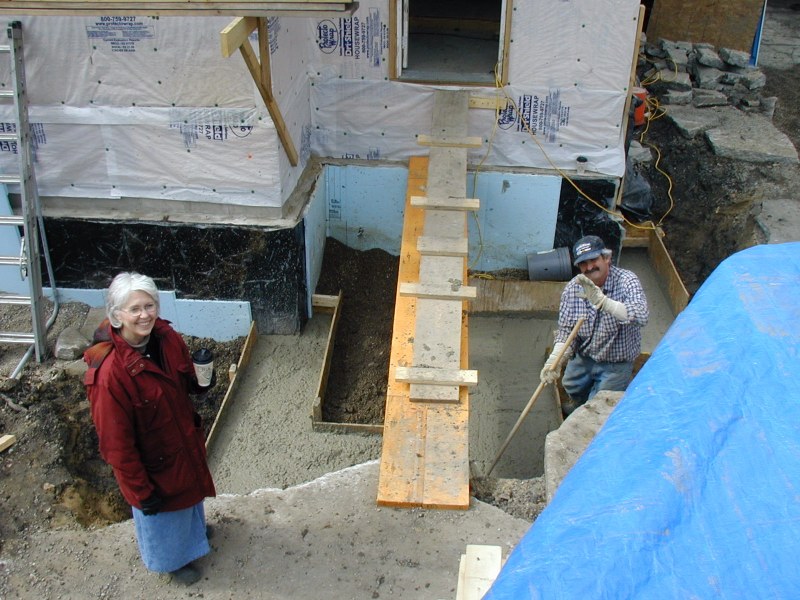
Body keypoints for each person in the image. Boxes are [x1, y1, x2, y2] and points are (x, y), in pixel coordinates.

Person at [83, 272, 216, 586]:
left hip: (178, 439)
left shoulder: (165, 336)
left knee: (188, 497)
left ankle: (194, 536)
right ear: (116, 316)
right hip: (152, 462)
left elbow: (183, 377)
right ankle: (172, 560)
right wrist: (140, 492)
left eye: (150, 305)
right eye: (135, 309)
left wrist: (200, 383)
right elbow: (116, 446)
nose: (145, 314)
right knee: (163, 514)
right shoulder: (110, 374)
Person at [540, 235, 649, 417]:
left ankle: (592, 420)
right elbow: (567, 329)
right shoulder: (573, 289)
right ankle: (578, 407)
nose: (590, 267)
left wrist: (606, 303)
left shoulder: (626, 280)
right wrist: (556, 359)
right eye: (584, 263)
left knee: (599, 407)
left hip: (615, 364)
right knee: (571, 385)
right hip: (585, 357)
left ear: (607, 258)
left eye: (594, 260)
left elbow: (642, 315)